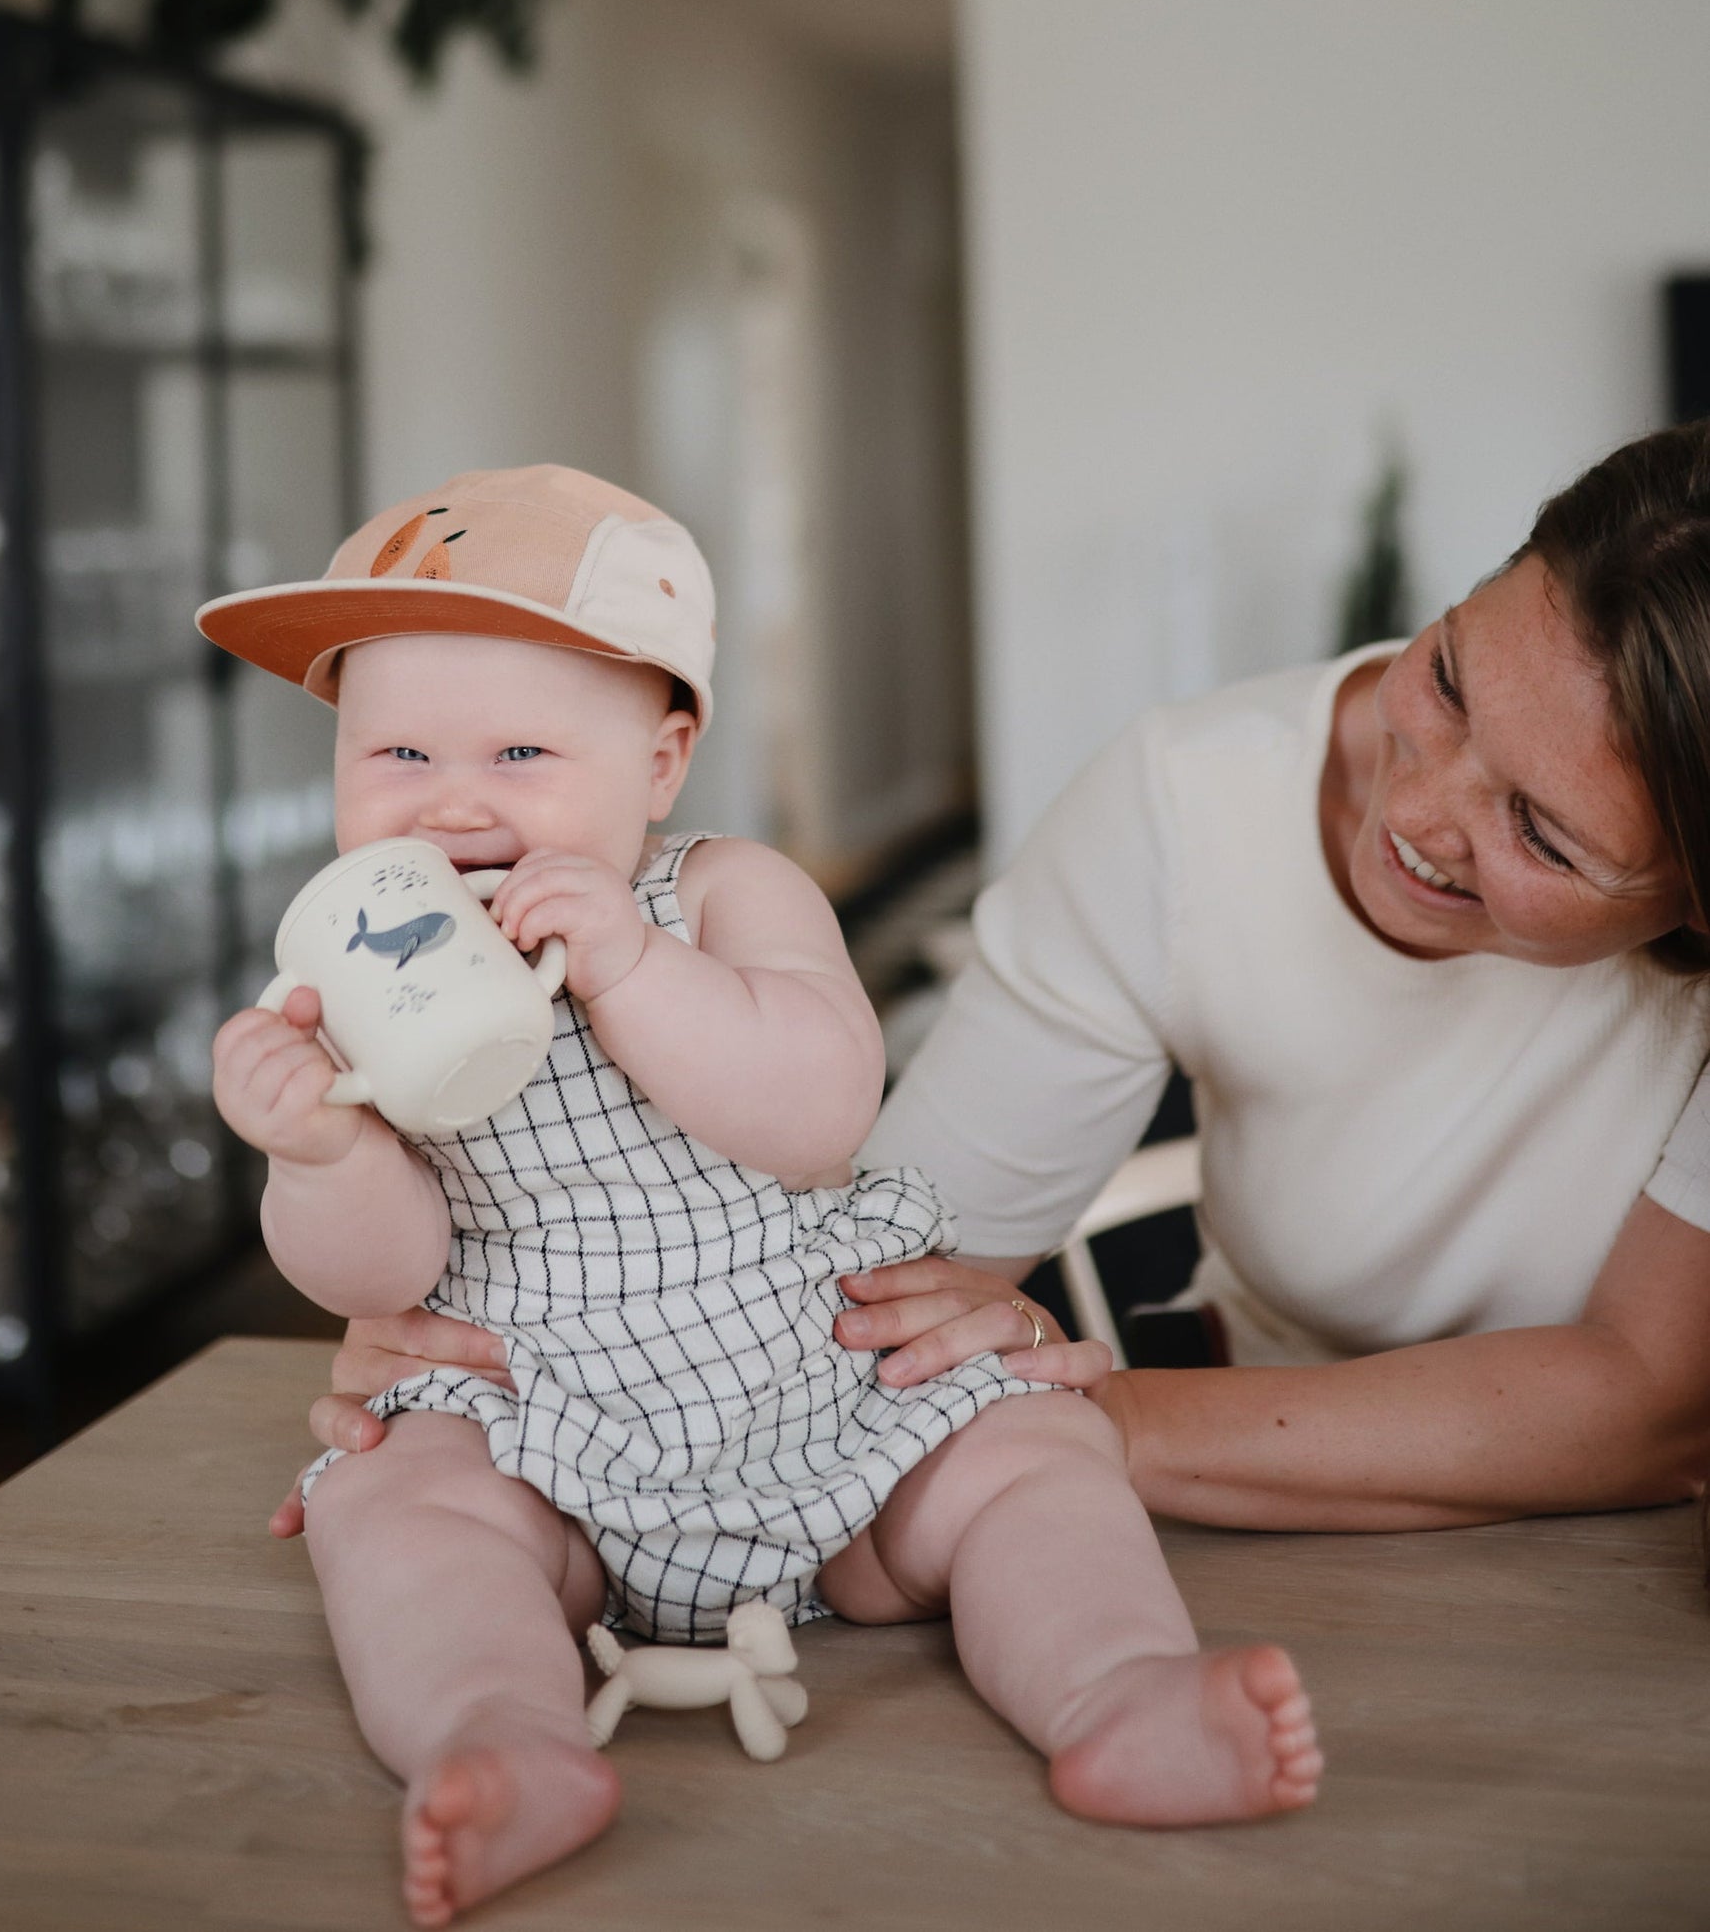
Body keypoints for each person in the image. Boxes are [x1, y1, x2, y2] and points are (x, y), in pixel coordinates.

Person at [202, 467, 1323, 1931]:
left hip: (827, 1400)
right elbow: (382, 1278)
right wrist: (316, 1150)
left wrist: (630, 969)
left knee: (1030, 1455)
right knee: (396, 1507)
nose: (453, 799)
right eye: (394, 751)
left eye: (523, 751)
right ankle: (499, 1733)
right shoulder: (358, 975)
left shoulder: (721, 894)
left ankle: (1117, 1694)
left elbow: (816, 1116)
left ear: (660, 766)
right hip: (546, 1446)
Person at [283, 425, 1710, 1560]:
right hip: (1247, 1479)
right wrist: (514, 1340)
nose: (1419, 800)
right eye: (1449, 674)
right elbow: (890, 1261)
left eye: (1538, 830)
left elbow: (1649, 1406)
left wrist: (1061, 1417)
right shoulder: (1185, 801)